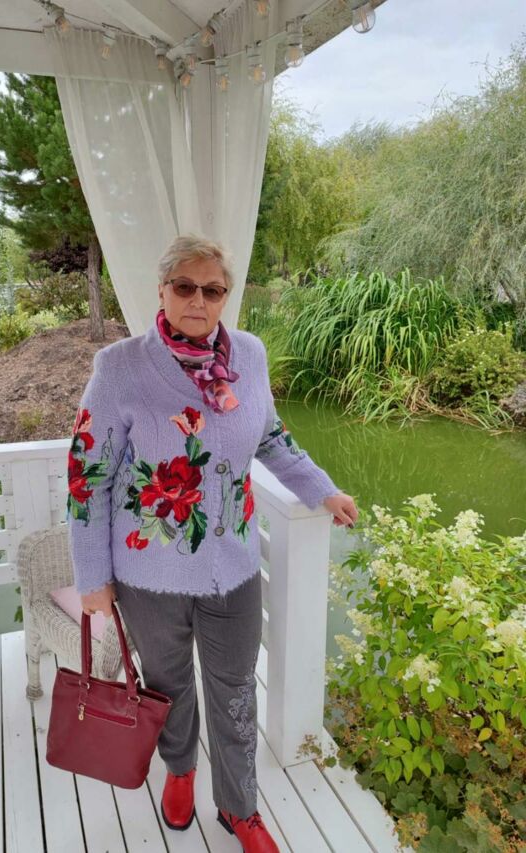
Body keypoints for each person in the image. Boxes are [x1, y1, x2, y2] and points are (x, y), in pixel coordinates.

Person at [66, 234, 358, 852]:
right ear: (163, 291)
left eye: (213, 289)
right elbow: (88, 477)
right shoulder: (119, 367)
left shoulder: (249, 354)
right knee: (168, 686)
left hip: (233, 568)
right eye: (185, 286)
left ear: (227, 296)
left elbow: (272, 437)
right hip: (148, 575)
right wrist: (93, 578)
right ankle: (180, 770)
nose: (198, 300)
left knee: (235, 693)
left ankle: (238, 806)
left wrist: (322, 489)